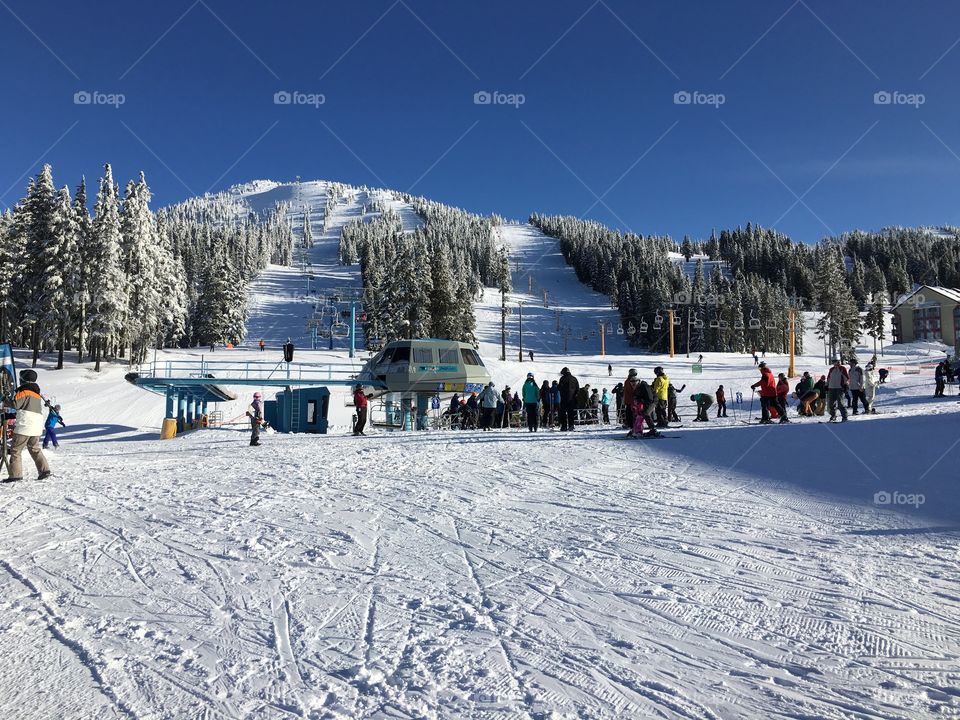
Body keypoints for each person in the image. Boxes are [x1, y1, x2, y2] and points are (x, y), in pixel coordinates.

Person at [4, 369, 51, 482]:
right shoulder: (36, 394)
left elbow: (15, 404)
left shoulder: (24, 392)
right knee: (34, 449)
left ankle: (16, 475)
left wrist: (5, 400)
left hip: (25, 426)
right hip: (36, 427)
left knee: (16, 450)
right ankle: (44, 470)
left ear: (23, 380)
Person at [826, 358, 849, 423]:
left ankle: (844, 416)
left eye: (835, 362)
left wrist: (845, 385)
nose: (834, 363)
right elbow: (828, 378)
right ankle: (833, 416)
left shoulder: (842, 368)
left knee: (840, 403)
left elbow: (846, 378)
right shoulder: (831, 369)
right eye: (833, 362)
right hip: (831, 388)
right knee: (831, 404)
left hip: (839, 388)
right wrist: (826, 385)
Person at [558, 367, 579, 431]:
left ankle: (564, 426)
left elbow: (559, 388)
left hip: (564, 398)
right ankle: (571, 425)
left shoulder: (562, 378)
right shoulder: (574, 379)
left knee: (563, 413)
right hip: (572, 399)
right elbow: (577, 389)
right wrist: (574, 395)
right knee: (571, 413)